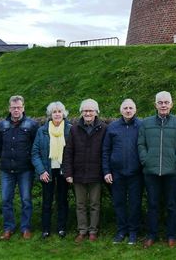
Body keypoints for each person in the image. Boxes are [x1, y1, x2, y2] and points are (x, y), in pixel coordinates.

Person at [138, 91, 176, 248]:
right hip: (151, 172)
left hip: (172, 172)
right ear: (155, 105)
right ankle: (152, 235)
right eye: (160, 102)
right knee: (152, 205)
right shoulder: (145, 123)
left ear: (172, 104)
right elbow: (141, 144)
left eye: (166, 102)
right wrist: (145, 160)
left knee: (171, 205)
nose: (164, 105)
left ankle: (171, 235)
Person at [62, 99, 107, 243]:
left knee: (95, 204)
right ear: (81, 112)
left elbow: (106, 151)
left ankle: (93, 230)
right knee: (80, 204)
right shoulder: (74, 129)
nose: (88, 113)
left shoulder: (103, 128)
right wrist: (68, 173)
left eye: (91, 110)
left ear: (96, 112)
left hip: (96, 173)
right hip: (78, 173)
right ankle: (82, 230)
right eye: (85, 111)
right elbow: (68, 152)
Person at [0, 95, 39, 240]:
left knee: (26, 200)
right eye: (13, 107)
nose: (16, 110)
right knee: (6, 200)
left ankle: (25, 228)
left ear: (23, 108)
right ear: (9, 108)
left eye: (19, 107)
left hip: (25, 169)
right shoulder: (2, 125)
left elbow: (35, 146)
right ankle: (8, 228)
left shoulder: (32, 125)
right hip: (6, 169)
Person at [102, 99, 143, 245]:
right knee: (118, 203)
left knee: (134, 203)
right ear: (121, 110)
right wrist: (106, 171)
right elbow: (106, 150)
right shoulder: (112, 127)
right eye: (125, 108)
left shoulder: (141, 125)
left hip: (136, 173)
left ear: (135, 109)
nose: (128, 110)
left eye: (131, 107)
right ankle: (121, 231)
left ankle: (133, 232)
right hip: (116, 173)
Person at [31, 101, 72, 239]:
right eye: (54, 112)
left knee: (62, 200)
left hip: (63, 170)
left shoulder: (70, 129)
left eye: (59, 111)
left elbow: (74, 152)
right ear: (50, 114)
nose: (57, 114)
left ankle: (61, 228)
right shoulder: (42, 130)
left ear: (64, 114)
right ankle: (46, 229)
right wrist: (41, 171)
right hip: (47, 170)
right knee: (47, 200)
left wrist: (69, 170)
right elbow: (35, 152)